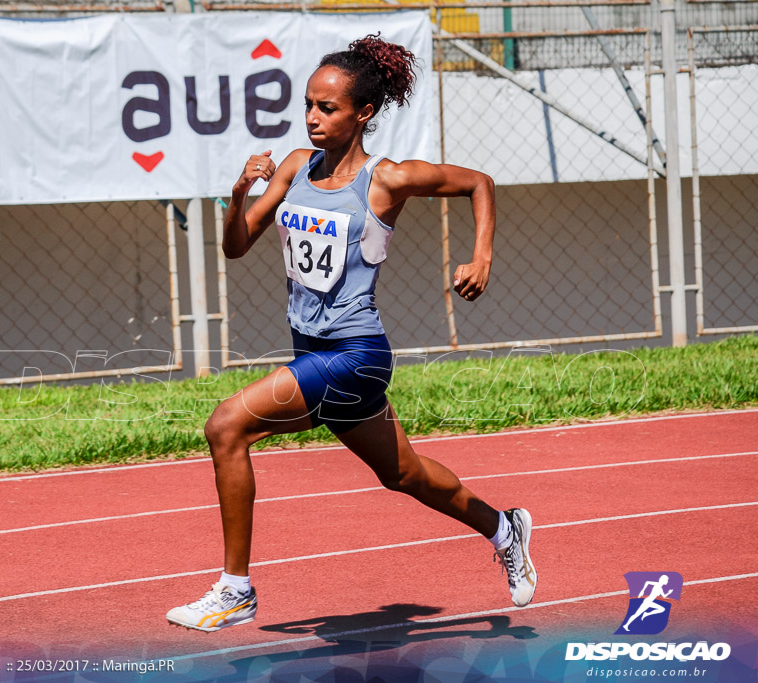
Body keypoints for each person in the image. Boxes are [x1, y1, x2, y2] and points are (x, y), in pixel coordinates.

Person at [166, 33, 537, 632]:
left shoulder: (386, 180)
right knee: (404, 475)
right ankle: (504, 527)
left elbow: (479, 182)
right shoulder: (294, 167)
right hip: (311, 349)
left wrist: (482, 257)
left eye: (328, 108)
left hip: (356, 353)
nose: (312, 118)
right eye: (308, 105)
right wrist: (238, 195)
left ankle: (236, 589)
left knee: (226, 427)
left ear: (363, 113)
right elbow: (237, 247)